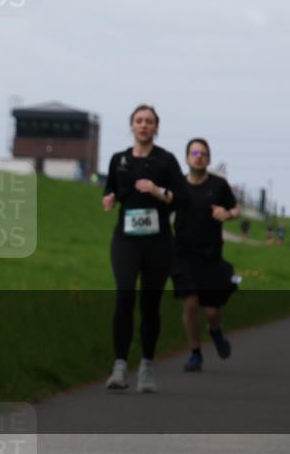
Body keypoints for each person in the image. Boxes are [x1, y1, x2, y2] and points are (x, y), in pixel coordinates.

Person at [102, 105, 189, 393]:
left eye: (149, 121)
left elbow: (183, 198)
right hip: (126, 239)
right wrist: (109, 199)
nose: (143, 125)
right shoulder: (119, 159)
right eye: (139, 121)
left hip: (158, 241)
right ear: (131, 126)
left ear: (156, 128)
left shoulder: (166, 160)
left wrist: (157, 191)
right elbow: (110, 189)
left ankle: (147, 367)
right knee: (125, 294)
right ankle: (119, 366)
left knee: (150, 303)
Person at [171, 138, 239, 372]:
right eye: (194, 152)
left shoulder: (219, 185)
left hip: (210, 256)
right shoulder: (178, 186)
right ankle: (195, 353)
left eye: (203, 153)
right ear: (187, 157)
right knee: (190, 304)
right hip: (182, 254)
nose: (198, 156)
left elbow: (236, 209)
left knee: (211, 311)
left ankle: (216, 332)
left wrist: (227, 214)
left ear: (208, 159)